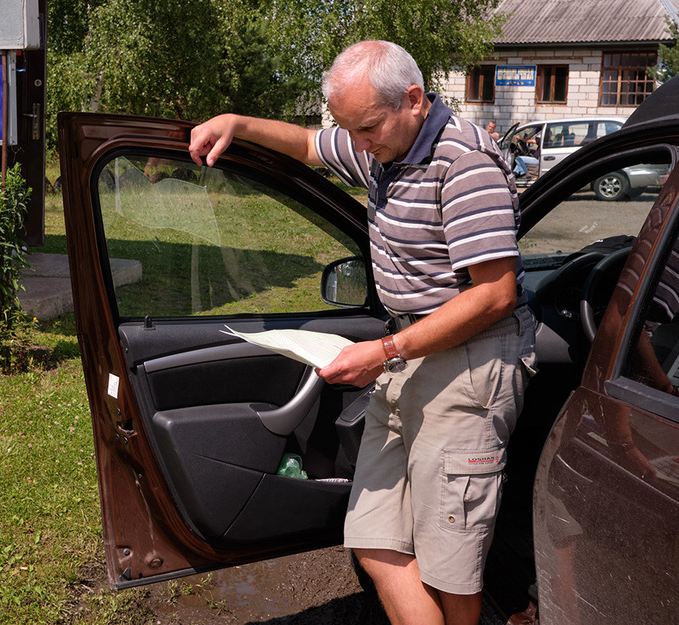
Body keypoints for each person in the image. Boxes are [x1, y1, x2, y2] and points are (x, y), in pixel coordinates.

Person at [188, 40, 536, 625]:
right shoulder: (380, 146)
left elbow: (495, 294)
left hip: (469, 362)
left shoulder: (465, 163)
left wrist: (386, 350)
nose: (359, 143)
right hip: (406, 353)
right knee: (374, 538)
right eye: (350, 130)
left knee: (449, 563)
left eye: (367, 128)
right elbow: (306, 145)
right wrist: (236, 123)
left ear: (413, 99)